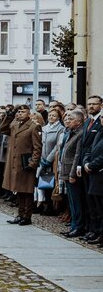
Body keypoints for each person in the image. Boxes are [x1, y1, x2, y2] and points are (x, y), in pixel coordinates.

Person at [1, 104, 42, 226]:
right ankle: (20, 214)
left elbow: (37, 147)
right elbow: (2, 129)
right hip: (14, 163)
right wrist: (8, 116)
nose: (20, 114)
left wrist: (33, 163)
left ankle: (27, 216)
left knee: (27, 191)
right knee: (18, 189)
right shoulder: (14, 125)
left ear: (29, 113)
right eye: (18, 112)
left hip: (25, 163)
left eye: (23, 112)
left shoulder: (34, 127)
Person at [76, 95, 102, 241]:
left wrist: (90, 164)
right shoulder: (87, 122)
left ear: (101, 105)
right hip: (86, 165)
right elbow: (85, 147)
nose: (91, 106)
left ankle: (97, 230)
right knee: (88, 200)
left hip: (96, 168)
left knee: (96, 202)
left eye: (94, 104)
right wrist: (82, 163)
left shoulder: (100, 123)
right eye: (89, 104)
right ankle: (92, 229)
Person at [59, 109, 85, 237]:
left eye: (70, 119)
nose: (67, 121)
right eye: (67, 119)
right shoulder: (70, 132)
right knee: (71, 200)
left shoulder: (80, 134)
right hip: (65, 170)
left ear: (79, 122)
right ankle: (74, 225)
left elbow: (77, 155)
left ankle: (78, 226)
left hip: (71, 172)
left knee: (76, 201)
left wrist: (72, 174)